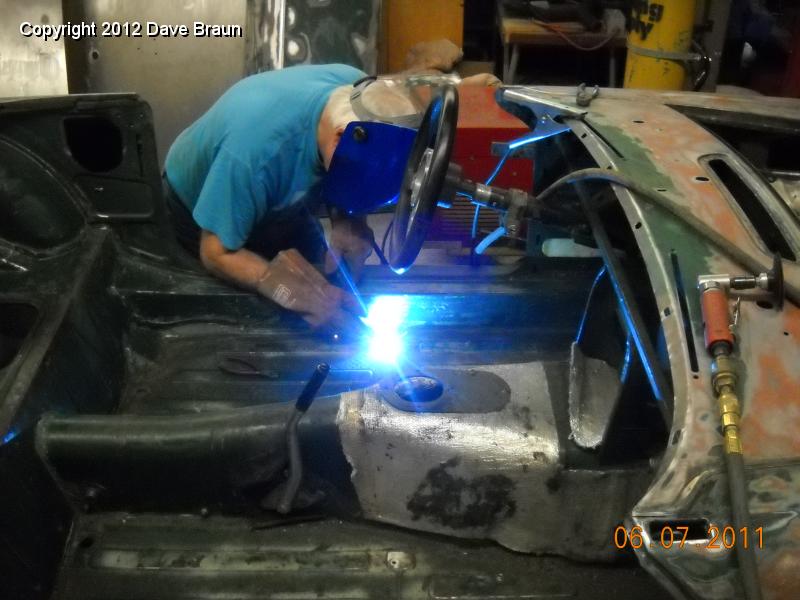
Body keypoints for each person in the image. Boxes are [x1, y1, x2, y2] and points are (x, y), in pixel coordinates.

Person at [163, 63, 377, 331]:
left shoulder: (361, 92)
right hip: (202, 211)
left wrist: (348, 217)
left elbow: (358, 163)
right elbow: (216, 253)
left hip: (278, 199)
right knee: (262, 316)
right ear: (338, 138)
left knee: (329, 281)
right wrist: (288, 289)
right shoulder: (253, 158)